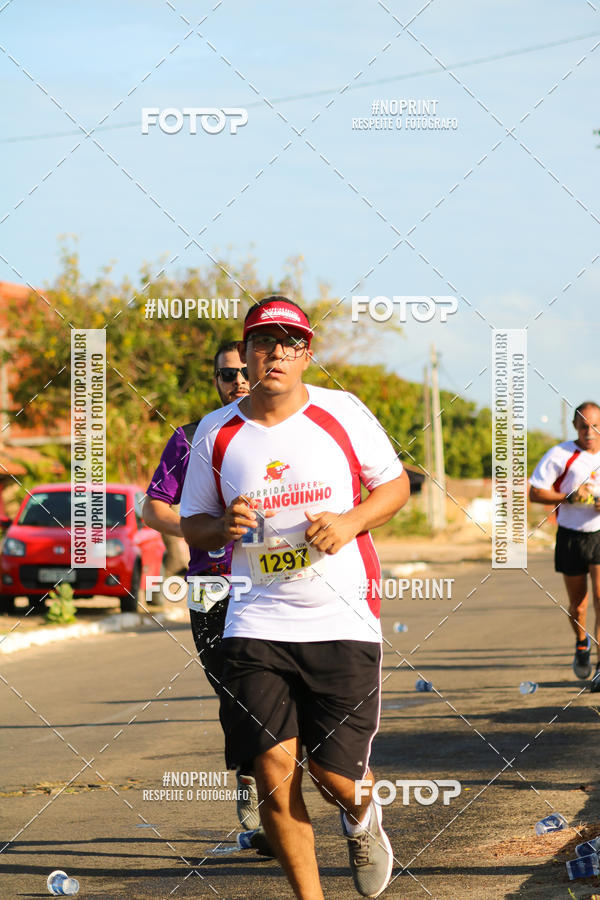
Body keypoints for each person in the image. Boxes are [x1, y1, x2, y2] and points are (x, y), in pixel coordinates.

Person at [180, 296, 410, 900]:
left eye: (289, 343)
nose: (275, 353)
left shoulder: (342, 412)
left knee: (335, 775)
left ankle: (362, 818)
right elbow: (192, 523)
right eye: (262, 342)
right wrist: (223, 524)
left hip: (341, 615)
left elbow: (395, 487)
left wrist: (350, 521)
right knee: (275, 773)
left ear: (307, 354)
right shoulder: (218, 431)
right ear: (247, 353)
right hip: (255, 619)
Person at [143, 341, 269, 834]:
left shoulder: (281, 433)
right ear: (215, 381)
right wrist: (205, 530)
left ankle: (281, 790)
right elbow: (153, 507)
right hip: (209, 586)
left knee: (281, 688)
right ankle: (250, 789)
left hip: (272, 580)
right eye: (226, 375)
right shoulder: (192, 437)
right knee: (232, 691)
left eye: (244, 372)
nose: (237, 381)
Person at [529, 401, 600, 692]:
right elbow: (535, 493)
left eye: (595, 426)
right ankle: (581, 644)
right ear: (575, 427)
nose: (590, 432)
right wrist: (568, 497)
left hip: (598, 534)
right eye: (584, 426)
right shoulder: (560, 454)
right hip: (571, 536)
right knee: (578, 606)